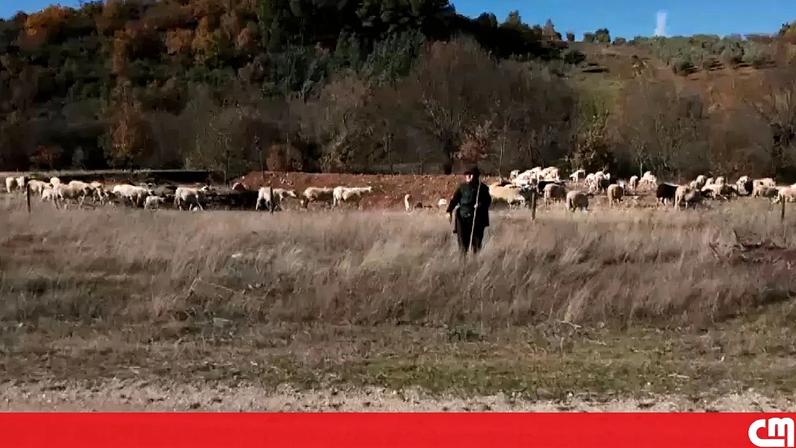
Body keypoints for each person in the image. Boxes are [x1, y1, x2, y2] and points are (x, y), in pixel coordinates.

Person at [446, 165, 492, 254]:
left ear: (476, 176)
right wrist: (449, 211)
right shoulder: (462, 187)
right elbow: (454, 200)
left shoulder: (482, 188)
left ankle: (475, 260)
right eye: (467, 175)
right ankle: (463, 260)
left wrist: (480, 205)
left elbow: (488, 201)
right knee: (463, 244)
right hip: (462, 218)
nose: (468, 176)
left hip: (477, 219)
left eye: (471, 174)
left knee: (476, 244)